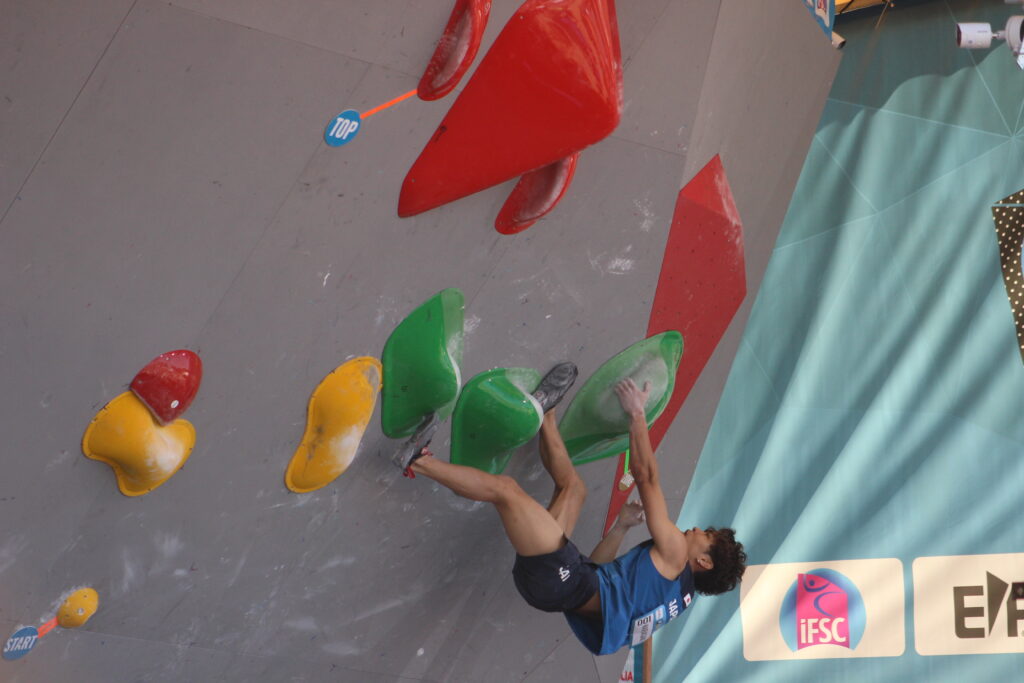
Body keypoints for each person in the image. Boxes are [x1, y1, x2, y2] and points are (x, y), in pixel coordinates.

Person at [397, 363, 746, 655]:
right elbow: (601, 569)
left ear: (703, 561)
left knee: (507, 491)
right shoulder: (677, 599)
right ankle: (545, 410)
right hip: (570, 581)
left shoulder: (675, 554)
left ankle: (417, 459)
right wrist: (621, 527)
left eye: (707, 536)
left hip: (563, 582)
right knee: (574, 489)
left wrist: (637, 414)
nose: (697, 530)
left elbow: (647, 477)